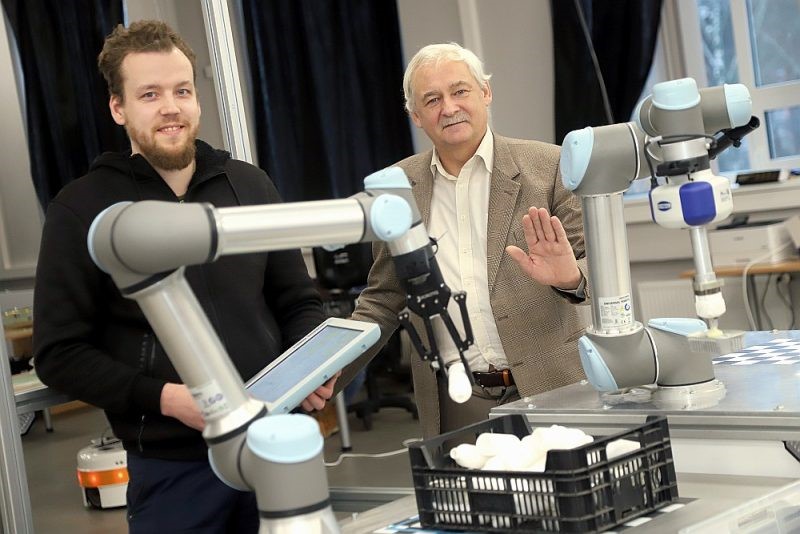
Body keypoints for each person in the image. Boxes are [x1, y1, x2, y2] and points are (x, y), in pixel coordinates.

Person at [32, 20, 334, 533]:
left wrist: (310, 367)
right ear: (118, 108)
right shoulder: (82, 209)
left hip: (274, 443)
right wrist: (165, 399)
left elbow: (298, 301)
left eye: (182, 90)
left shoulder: (249, 185)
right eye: (149, 94)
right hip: (173, 469)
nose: (170, 107)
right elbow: (59, 354)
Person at [344, 42, 589, 438]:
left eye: (460, 91)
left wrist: (569, 277)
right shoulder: (396, 190)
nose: (449, 107)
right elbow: (385, 297)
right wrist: (332, 371)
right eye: (432, 99)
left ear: (485, 92)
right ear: (416, 115)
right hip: (459, 400)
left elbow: (597, 271)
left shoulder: (550, 166)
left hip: (554, 386)